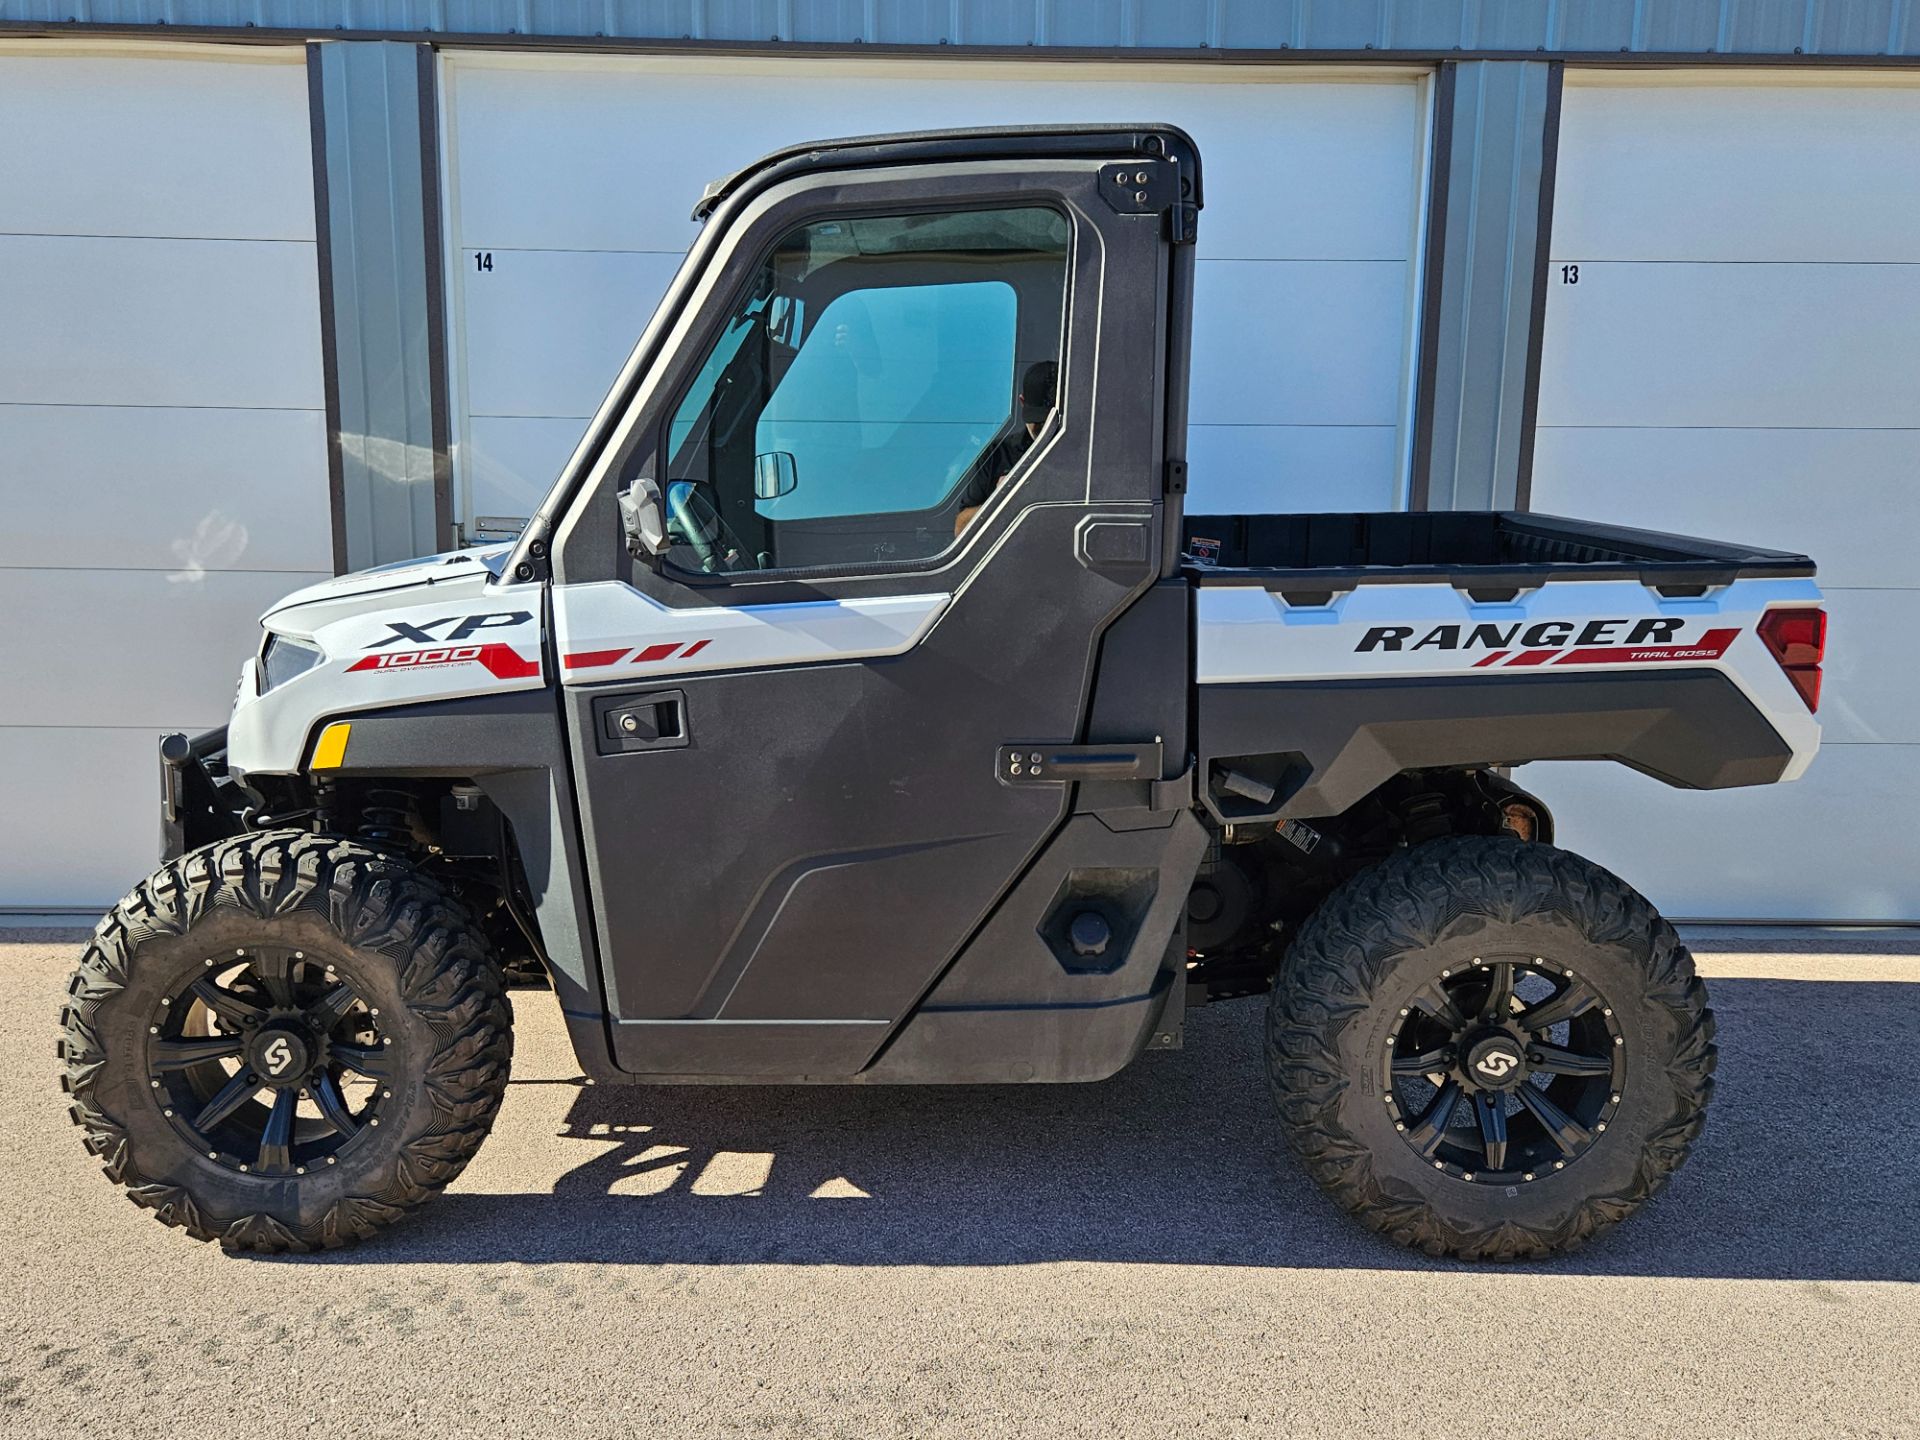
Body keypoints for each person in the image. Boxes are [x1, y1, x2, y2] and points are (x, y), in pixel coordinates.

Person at [954, 359, 1057, 536]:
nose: (1046, 429)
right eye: (1038, 421)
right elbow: (960, 528)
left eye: (1053, 421)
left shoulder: (1092, 457)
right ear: (1022, 402)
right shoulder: (998, 453)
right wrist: (1000, 498)